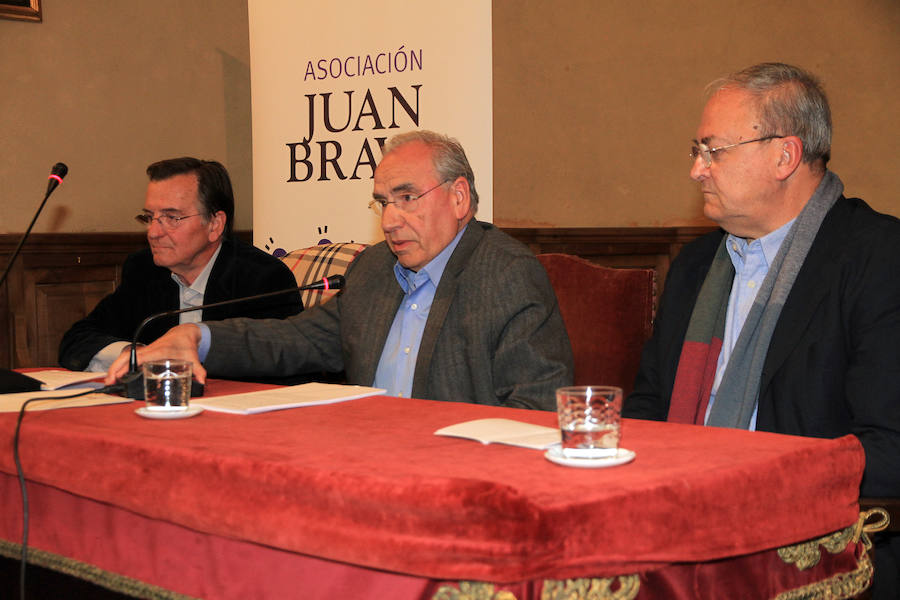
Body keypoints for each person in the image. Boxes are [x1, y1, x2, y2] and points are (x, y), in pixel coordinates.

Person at [624, 63, 900, 597]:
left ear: (784, 156)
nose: (697, 171)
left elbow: (889, 448)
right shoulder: (694, 268)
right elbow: (649, 409)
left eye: (714, 151)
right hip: (676, 534)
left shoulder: (877, 258)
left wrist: (746, 487)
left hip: (821, 554)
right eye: (696, 151)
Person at [107, 131, 573, 410]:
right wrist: (198, 338)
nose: (390, 220)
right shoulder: (375, 268)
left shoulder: (506, 274)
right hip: (362, 462)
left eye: (407, 198)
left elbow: (535, 409)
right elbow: (298, 339)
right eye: (383, 203)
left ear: (458, 197)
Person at [59, 157, 301, 372]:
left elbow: (284, 364)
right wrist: (138, 356)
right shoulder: (144, 270)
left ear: (215, 224)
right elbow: (77, 341)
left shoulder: (263, 278)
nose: (153, 232)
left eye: (172, 218)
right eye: (149, 217)